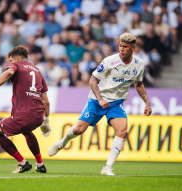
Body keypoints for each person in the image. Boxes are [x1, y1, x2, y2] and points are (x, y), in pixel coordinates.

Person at [48, 33, 152, 175]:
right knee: (79, 130)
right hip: (97, 101)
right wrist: (100, 99)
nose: (121, 49)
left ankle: (107, 167)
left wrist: (147, 103)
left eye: (125, 47)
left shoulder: (139, 64)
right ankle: (62, 142)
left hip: (116, 103)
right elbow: (92, 80)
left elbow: (138, 85)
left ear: (133, 48)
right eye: (120, 46)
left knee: (122, 132)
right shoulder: (109, 61)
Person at [0, 46, 51, 173]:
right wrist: (46, 122)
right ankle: (40, 164)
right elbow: (46, 101)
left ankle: (22, 162)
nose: (10, 63)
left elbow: (8, 72)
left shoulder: (17, 65)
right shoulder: (37, 71)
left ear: (17, 59)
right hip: (38, 117)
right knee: (27, 131)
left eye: (10, 61)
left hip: (23, 115)